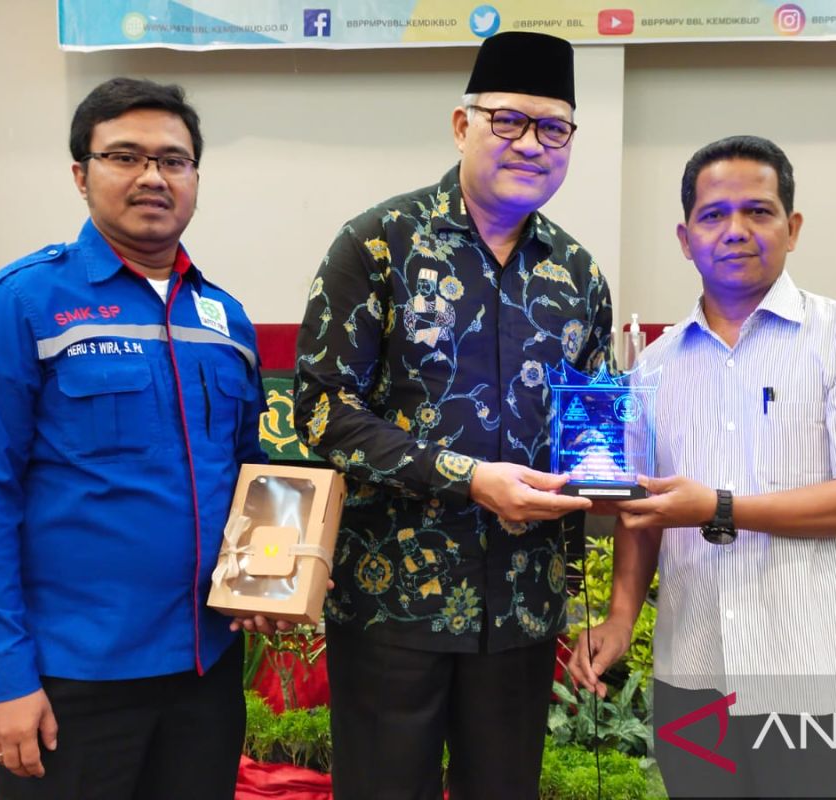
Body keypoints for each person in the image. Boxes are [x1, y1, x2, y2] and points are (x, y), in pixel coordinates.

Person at [0, 77, 280, 799]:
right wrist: (2, 677)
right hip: (72, 682)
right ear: (80, 173)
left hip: (204, 676)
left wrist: (268, 574)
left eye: (174, 160)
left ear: (194, 178)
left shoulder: (225, 320)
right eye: (125, 155)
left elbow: (251, 473)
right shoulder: (19, 306)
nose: (153, 176)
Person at [291, 31, 614, 800]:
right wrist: (469, 478)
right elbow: (322, 411)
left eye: (554, 128)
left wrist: (607, 480)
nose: (531, 143)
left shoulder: (578, 272)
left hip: (523, 608)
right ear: (462, 124)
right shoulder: (377, 244)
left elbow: (591, 425)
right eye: (508, 121)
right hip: (392, 600)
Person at [568, 135, 836, 798]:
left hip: (827, 677)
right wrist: (619, 617)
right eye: (713, 215)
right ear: (685, 237)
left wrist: (718, 508)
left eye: (758, 212)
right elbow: (644, 511)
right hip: (695, 681)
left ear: (793, 228)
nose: (735, 230)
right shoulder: (653, 368)